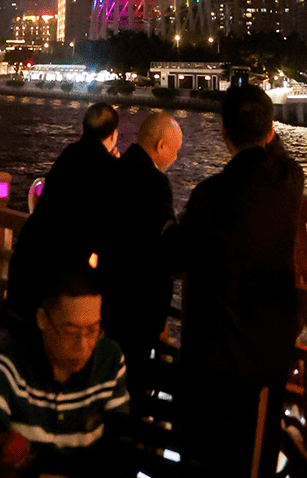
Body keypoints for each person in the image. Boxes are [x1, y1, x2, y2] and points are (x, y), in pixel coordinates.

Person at [173, 82, 305, 478]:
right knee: (256, 461)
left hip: (212, 361)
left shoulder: (208, 196)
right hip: (268, 360)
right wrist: (266, 133)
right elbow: (278, 154)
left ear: (223, 133)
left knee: (205, 464)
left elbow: (176, 256)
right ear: (271, 132)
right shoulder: (289, 180)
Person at [0, 264, 130, 476]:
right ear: (43, 320)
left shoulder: (109, 360)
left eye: (92, 330)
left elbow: (119, 447)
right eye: (71, 332)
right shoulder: (8, 367)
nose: (83, 345)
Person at [6, 104, 122, 323]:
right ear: (113, 134)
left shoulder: (69, 154)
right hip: (58, 277)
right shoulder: (108, 168)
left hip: (28, 259)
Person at [106, 111, 182, 413]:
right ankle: (130, 441)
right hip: (139, 302)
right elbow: (165, 243)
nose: (176, 156)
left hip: (111, 292)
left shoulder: (116, 169)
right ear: (161, 145)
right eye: (175, 149)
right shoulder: (154, 182)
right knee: (134, 380)